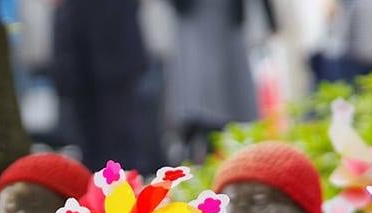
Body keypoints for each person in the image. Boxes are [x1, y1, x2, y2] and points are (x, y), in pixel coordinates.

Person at [166, 0, 273, 162]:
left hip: (227, 18)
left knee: (230, 88)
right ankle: (202, 148)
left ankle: (229, 150)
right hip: (194, 16)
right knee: (200, 86)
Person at [53, 0, 150, 171]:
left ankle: (128, 191)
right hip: (77, 45)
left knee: (122, 138)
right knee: (87, 139)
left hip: (116, 41)